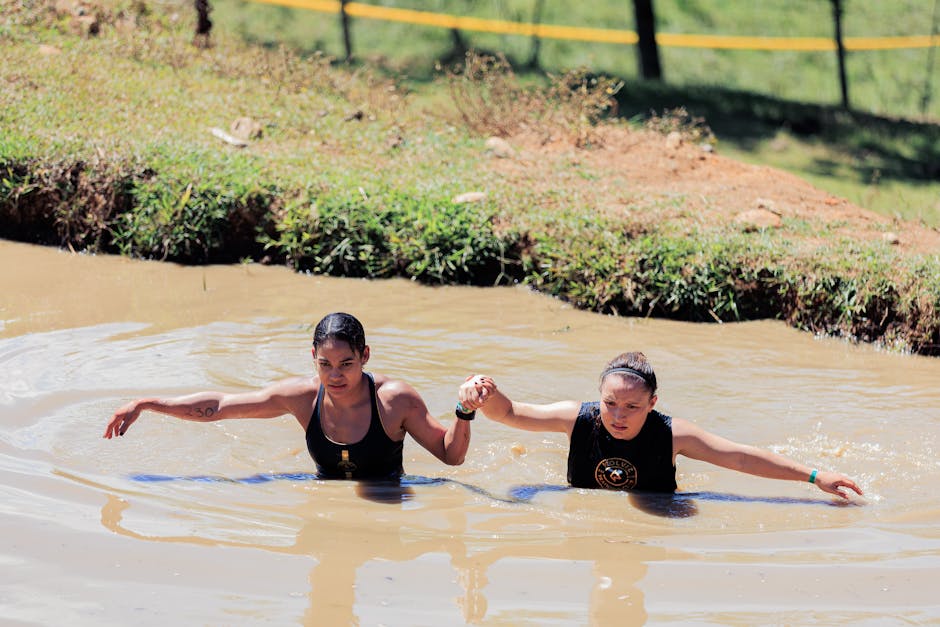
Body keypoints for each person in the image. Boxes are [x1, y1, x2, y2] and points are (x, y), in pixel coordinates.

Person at [104, 312, 472, 479]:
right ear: (313, 357)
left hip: (388, 499)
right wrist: (145, 403)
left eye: (346, 363)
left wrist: (463, 411)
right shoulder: (300, 396)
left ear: (365, 356)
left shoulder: (395, 400)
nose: (335, 375)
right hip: (323, 495)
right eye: (325, 363)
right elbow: (219, 407)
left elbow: (451, 456)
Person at [457, 351, 863, 499]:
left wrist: (814, 476)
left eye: (632, 407)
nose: (618, 415)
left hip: (659, 511)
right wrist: (482, 396)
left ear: (652, 404)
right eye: (610, 403)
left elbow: (740, 459)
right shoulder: (576, 418)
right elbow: (510, 413)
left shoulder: (673, 434)